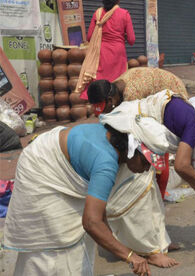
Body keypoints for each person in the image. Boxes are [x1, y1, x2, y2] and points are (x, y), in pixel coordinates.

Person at [2, 114, 176, 275]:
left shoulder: (114, 144)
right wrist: (130, 255)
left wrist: (118, 246)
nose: (146, 169)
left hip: (56, 153)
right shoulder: (105, 162)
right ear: (133, 150)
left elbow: (99, 214)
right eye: (146, 163)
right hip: (42, 168)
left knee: (79, 240)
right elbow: (91, 222)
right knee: (55, 242)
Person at [87, 67, 188, 198]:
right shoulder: (113, 89)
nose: (102, 113)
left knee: (158, 148)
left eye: (102, 109)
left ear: (111, 101)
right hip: (155, 95)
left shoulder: (132, 96)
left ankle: (159, 196)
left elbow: (132, 128)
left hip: (172, 98)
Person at [76, 0, 135, 99]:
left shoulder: (97, 13)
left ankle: (101, 107)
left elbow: (89, 37)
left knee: (101, 82)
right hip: (118, 53)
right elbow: (132, 40)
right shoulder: (124, 14)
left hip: (101, 53)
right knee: (117, 84)